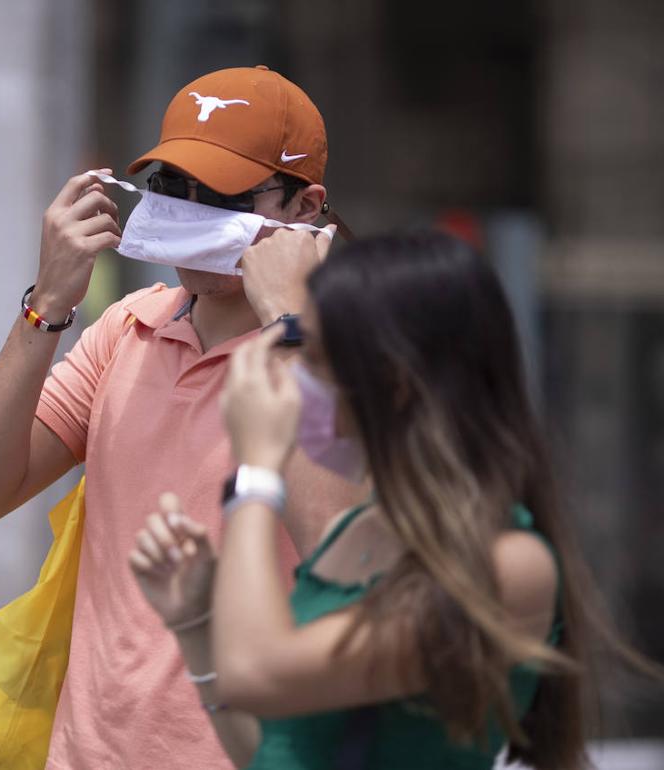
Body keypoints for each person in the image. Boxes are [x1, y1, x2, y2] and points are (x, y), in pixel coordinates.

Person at [0, 66, 362, 768]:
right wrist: (47, 306)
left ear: (304, 205)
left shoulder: (354, 348)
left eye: (219, 194)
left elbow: (346, 555)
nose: (189, 210)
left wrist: (290, 324)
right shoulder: (128, 327)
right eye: (173, 187)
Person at [129, 230, 662, 769]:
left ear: (395, 382)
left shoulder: (507, 566)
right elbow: (277, 751)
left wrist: (257, 473)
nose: (296, 379)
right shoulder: (353, 534)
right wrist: (194, 620)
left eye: (312, 356)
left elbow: (259, 674)